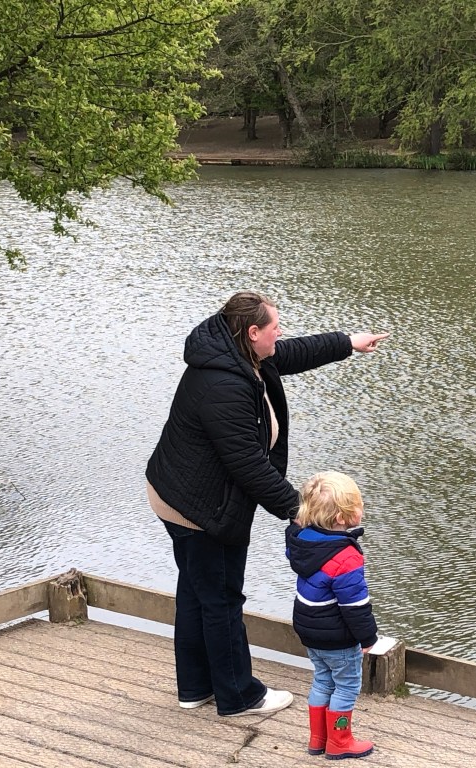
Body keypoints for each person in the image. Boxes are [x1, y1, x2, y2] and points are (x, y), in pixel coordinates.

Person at [145, 290, 387, 717]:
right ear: (252, 332)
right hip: (201, 508)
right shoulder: (224, 384)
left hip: (180, 492)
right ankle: (240, 696)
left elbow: (291, 353)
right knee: (220, 599)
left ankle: (195, 688)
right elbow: (248, 465)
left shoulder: (237, 351)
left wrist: (348, 342)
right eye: (274, 327)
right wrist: (301, 512)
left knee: (198, 593)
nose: (281, 334)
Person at [286, 471, 377, 759]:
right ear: (342, 518)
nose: (362, 509)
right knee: (347, 686)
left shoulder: (302, 541)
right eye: (358, 504)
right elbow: (355, 605)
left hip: (309, 629)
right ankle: (339, 741)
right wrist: (367, 637)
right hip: (336, 635)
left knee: (323, 680)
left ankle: (318, 738)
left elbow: (293, 530)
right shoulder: (346, 556)